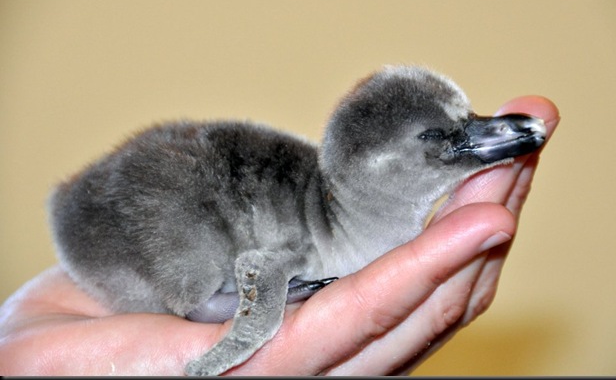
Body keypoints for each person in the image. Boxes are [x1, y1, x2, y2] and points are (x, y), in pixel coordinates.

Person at [0, 95, 559, 376]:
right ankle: (197, 300)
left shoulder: (345, 205)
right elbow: (265, 264)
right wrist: (240, 326)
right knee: (174, 200)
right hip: (117, 227)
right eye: (439, 136)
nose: (478, 137)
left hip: (108, 217)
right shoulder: (330, 231)